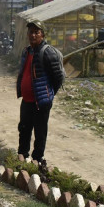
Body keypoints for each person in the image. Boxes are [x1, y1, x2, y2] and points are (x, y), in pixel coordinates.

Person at [16, 20, 64, 166]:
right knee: (24, 128)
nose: (33, 35)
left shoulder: (48, 52)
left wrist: (48, 95)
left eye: (36, 32)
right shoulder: (27, 51)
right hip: (27, 100)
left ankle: (37, 159)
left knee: (40, 132)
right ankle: (22, 156)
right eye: (31, 32)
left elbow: (58, 77)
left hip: (41, 102)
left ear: (42, 35)